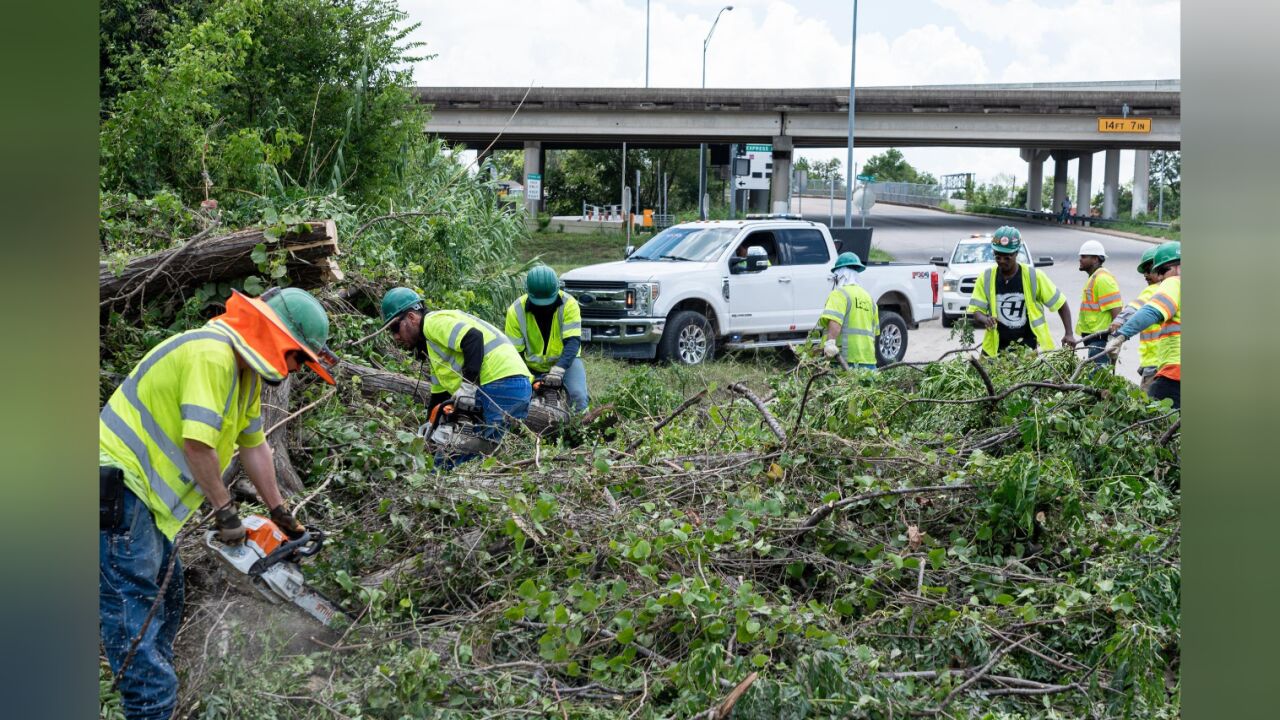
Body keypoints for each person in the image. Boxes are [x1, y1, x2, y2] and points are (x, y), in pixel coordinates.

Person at [100, 287, 336, 720]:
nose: (295, 369)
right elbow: (198, 445)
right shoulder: (212, 354)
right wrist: (227, 514)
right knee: (135, 615)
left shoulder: (242, 376)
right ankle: (150, 708)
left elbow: (255, 446)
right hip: (118, 492)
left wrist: (282, 514)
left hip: (149, 508)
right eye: (298, 358)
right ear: (277, 338)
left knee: (168, 602)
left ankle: (157, 699)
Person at [380, 287, 532, 464]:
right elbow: (439, 395)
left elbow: (473, 338)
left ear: (412, 318)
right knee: (484, 454)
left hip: (500, 383)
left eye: (395, 328)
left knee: (462, 456)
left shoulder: (432, 322)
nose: (396, 337)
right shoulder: (434, 347)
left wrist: (467, 386)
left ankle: (438, 483)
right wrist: (430, 428)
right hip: (511, 384)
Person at [968, 226, 1077, 356]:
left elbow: (1061, 303)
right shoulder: (986, 277)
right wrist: (986, 319)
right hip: (995, 350)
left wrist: (1069, 333)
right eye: (998, 257)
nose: (1002, 261)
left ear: (1016, 253)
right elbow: (976, 311)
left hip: (1027, 350)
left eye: (1007, 257)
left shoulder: (1034, 276)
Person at [1106, 241, 1181, 408]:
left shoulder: (1175, 282)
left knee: (1150, 421)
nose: (1160, 277)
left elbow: (1151, 311)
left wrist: (1121, 335)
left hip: (1175, 372)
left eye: (1162, 271)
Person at [505, 265, 589, 412]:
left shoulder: (569, 304)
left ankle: (582, 430)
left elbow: (573, 342)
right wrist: (531, 380)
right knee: (521, 401)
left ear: (558, 289)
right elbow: (515, 355)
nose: (544, 308)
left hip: (566, 362)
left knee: (578, 396)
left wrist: (559, 369)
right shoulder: (516, 311)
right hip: (531, 367)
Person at [1109, 246, 1163, 391]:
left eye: (1148, 269)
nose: (1145, 274)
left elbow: (1134, 308)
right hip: (1168, 364)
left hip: (1156, 364)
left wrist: (1119, 322)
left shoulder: (1156, 290)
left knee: (1149, 409)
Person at [818, 251, 879, 370]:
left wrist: (830, 343)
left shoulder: (839, 294)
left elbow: (835, 321)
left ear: (840, 275)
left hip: (844, 361)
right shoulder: (869, 298)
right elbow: (875, 332)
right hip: (868, 362)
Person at [1075, 239, 1123, 366]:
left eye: (1084, 256)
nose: (1080, 259)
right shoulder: (1094, 277)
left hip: (1101, 340)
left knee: (1098, 380)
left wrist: (1115, 339)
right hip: (1094, 339)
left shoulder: (1103, 279)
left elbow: (1116, 311)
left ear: (1095, 259)